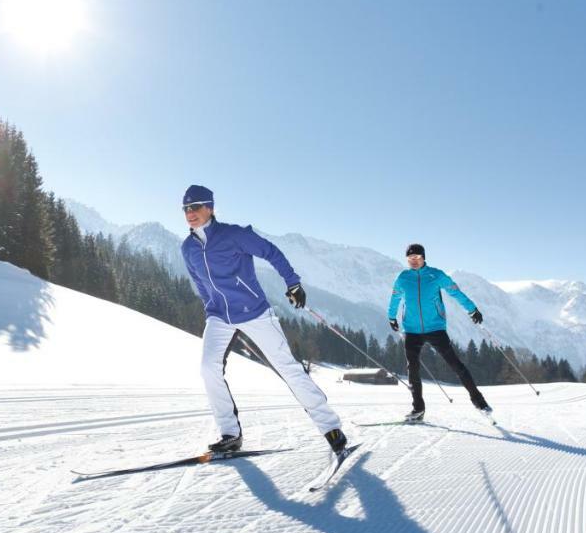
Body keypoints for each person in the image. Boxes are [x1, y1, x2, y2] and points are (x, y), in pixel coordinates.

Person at [179, 185, 348, 454]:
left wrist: (293, 283)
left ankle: (330, 427)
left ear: (210, 207)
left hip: (254, 311)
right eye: (186, 208)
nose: (191, 213)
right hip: (219, 316)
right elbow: (199, 283)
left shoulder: (234, 235)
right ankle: (230, 434)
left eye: (196, 207)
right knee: (208, 369)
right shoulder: (188, 248)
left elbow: (271, 251)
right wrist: (209, 306)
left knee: (288, 368)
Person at [387, 243, 492, 423]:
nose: (414, 261)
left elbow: (456, 293)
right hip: (412, 330)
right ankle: (418, 409)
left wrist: (472, 309)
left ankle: (479, 401)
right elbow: (395, 297)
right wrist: (392, 317)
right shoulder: (403, 278)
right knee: (412, 370)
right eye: (410, 259)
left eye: (417, 258)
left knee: (455, 365)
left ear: (424, 258)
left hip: (435, 328)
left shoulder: (436, 275)